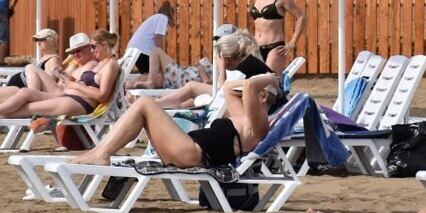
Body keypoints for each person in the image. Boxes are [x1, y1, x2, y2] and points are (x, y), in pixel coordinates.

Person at [68, 72, 281, 168]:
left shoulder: (259, 124)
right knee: (143, 109)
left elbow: (248, 86)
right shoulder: (241, 116)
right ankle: (99, 152)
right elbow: (228, 88)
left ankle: (102, 153)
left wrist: (271, 78)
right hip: (186, 149)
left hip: (192, 152)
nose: (245, 96)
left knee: (144, 103)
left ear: (263, 97)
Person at [0, 30, 119, 125]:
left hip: (79, 103)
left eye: (93, 46)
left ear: (104, 45)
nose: (92, 50)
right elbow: (85, 84)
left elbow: (102, 95)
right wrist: (70, 80)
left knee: (27, 109)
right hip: (67, 96)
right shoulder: (101, 63)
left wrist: (75, 86)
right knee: (25, 94)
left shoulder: (110, 65)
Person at [150, 30, 275, 110]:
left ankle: (156, 104)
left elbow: (224, 94)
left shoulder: (244, 67)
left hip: (258, 106)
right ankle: (158, 104)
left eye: (217, 58)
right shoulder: (246, 62)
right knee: (191, 88)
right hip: (250, 100)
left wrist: (222, 68)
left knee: (192, 88)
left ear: (225, 59)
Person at [248, 0, 305, 73]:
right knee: (256, 80)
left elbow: (301, 16)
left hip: (274, 47)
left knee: (270, 79)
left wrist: (293, 41)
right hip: (257, 47)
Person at [125, 0, 174, 83]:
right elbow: (158, 37)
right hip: (142, 51)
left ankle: (130, 84)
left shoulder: (155, 18)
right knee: (157, 75)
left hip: (134, 51)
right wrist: (162, 54)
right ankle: (130, 84)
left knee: (147, 74)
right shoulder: (163, 18)